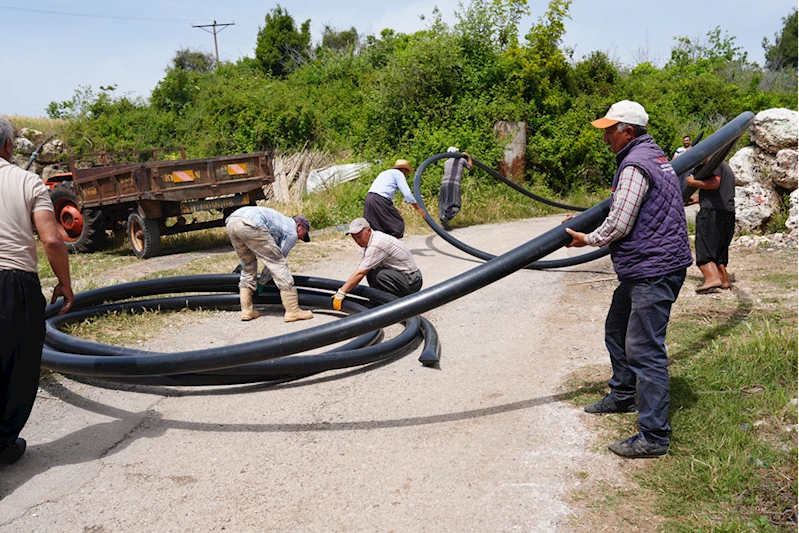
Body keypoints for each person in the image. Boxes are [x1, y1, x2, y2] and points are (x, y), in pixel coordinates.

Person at [564, 100, 693, 459]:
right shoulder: (657, 157)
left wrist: (586, 239)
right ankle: (623, 396)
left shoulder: (636, 164)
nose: (605, 137)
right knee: (617, 329)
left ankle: (654, 436)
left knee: (645, 350)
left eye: (610, 130)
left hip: (654, 269)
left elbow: (620, 223)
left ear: (628, 132)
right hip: (649, 266)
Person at [0, 117, 74, 465]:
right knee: (20, 364)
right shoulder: (28, 181)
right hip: (14, 282)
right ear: (9, 146)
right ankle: (3, 442)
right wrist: (65, 283)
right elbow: (51, 239)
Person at [225, 206, 313, 322]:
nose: (301, 238)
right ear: (299, 226)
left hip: (232, 221)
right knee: (279, 264)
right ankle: (293, 311)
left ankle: (247, 311)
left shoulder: (281, 222)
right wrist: (262, 282)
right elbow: (275, 262)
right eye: (304, 234)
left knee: (248, 266)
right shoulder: (292, 232)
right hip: (251, 223)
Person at [332, 218, 422, 310]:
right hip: (402, 277)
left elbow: (360, 273)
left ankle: (399, 303)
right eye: (354, 238)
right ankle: (380, 302)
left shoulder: (377, 243)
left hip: (412, 280)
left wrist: (341, 292)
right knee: (371, 273)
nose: (357, 241)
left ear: (368, 231)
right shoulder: (371, 241)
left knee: (379, 275)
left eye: (359, 236)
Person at [685, 160, 736, 292]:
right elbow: (720, 190)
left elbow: (714, 183)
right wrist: (697, 199)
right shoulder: (725, 166)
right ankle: (724, 280)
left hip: (711, 212)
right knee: (719, 249)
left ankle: (712, 279)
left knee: (705, 247)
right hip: (727, 211)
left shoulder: (715, 164)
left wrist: (692, 182)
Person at [363, 159, 426, 239]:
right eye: (406, 173)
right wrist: (418, 209)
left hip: (369, 199)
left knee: (376, 226)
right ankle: (390, 245)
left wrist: (392, 208)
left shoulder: (385, 173)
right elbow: (407, 194)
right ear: (403, 170)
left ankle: (377, 246)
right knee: (397, 226)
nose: (406, 175)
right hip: (379, 200)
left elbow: (383, 191)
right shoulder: (399, 174)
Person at [438, 147, 473, 230]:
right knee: (456, 204)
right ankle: (446, 217)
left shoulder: (446, 162)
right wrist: (468, 157)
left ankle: (444, 224)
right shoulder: (461, 160)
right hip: (454, 183)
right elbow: (470, 167)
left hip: (444, 184)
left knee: (443, 203)